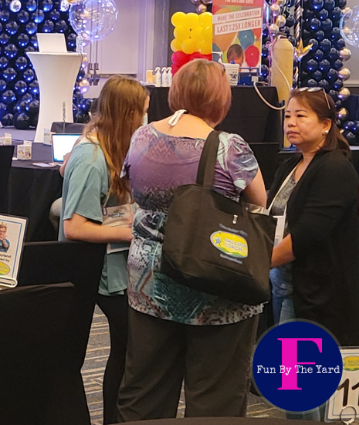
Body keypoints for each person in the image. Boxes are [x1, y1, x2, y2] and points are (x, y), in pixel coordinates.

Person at [117, 59, 267, 421]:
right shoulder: (230, 148)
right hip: (216, 286)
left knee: (145, 390)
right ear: (222, 98)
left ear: (177, 92)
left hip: (149, 286)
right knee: (215, 397)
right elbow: (259, 201)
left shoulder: (143, 135)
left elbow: (129, 184)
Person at [59, 74, 148, 425]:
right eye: (141, 112)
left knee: (126, 349)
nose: (145, 120)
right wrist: (128, 233)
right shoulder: (92, 158)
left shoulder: (109, 150)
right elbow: (75, 227)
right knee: (124, 347)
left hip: (111, 268)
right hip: (94, 270)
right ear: (127, 114)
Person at [268, 88, 359, 420]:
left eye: (300, 116)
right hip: (284, 285)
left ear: (325, 125)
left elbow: (307, 235)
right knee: (292, 386)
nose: (290, 123)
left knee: (303, 389)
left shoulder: (334, 168)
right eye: (287, 116)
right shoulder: (290, 165)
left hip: (319, 293)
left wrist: (258, 263)